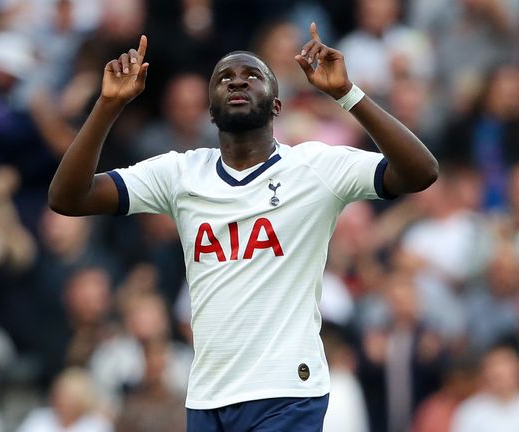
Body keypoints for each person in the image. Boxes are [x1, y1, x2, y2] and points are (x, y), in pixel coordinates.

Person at [48, 23, 438, 431]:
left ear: (276, 105)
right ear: (211, 110)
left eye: (253, 76)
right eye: (224, 78)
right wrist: (108, 105)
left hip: (286, 392)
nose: (237, 81)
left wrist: (346, 94)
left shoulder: (315, 167)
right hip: (208, 395)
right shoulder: (181, 173)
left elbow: (420, 171)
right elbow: (68, 197)